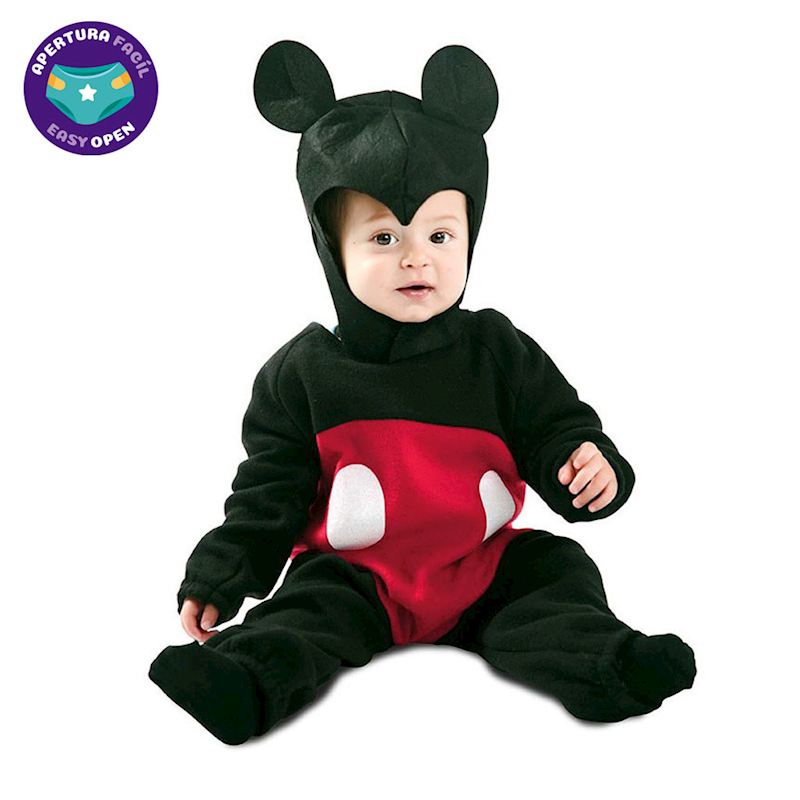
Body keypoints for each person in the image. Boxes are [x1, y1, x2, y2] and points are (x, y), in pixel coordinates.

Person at [149, 40, 696, 746]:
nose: (417, 257)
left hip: (483, 566)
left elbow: (556, 425)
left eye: (440, 234)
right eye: (384, 237)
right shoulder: (302, 374)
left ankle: (613, 666)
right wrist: (220, 574)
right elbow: (267, 494)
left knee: (557, 574)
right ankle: (243, 679)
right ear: (331, 249)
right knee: (305, 614)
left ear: (470, 236)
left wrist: (586, 463)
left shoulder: (497, 350)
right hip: (357, 577)